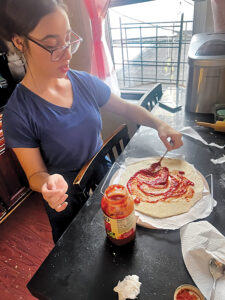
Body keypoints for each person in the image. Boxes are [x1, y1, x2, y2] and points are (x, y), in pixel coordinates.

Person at [0, 0, 183, 243]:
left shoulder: (83, 82)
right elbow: (35, 173)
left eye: (68, 40)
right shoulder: (18, 112)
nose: (67, 53)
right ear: (19, 41)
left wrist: (161, 124)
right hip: (68, 199)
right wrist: (48, 183)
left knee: (123, 239)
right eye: (53, 45)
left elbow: (127, 108)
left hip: (106, 180)